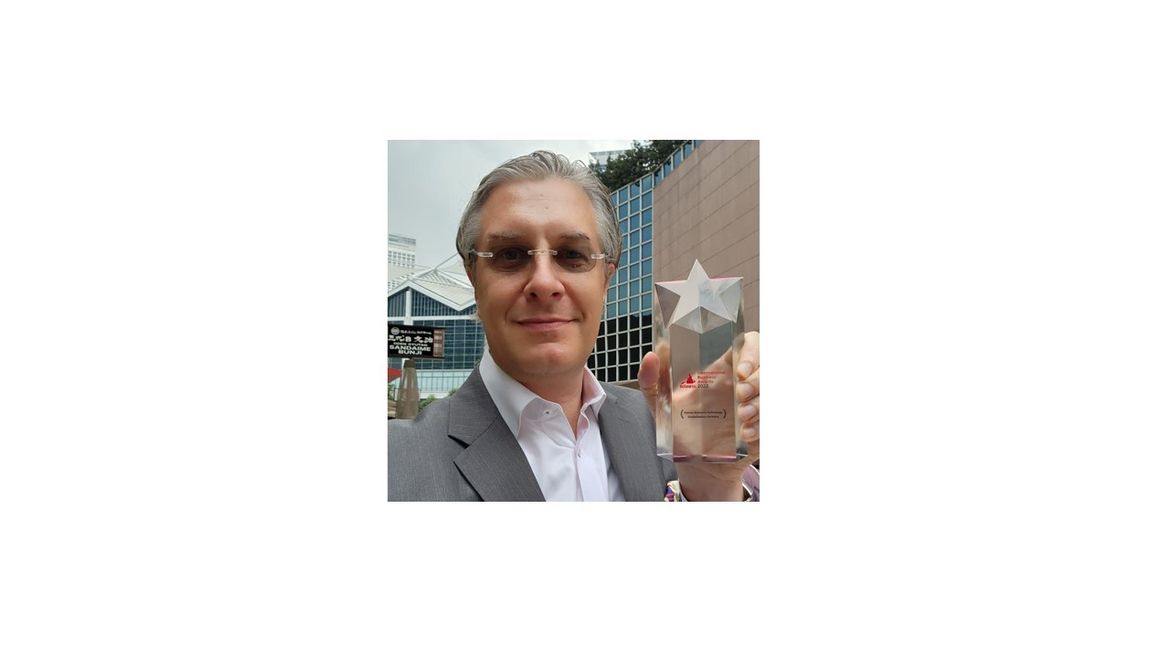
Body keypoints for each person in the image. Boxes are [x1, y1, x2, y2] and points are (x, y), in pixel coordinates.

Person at [388, 150, 760, 501]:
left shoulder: (672, 428)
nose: (544, 282)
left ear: (606, 279)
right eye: (510, 255)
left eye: (571, 255)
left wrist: (712, 485)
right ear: (474, 277)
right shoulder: (393, 463)